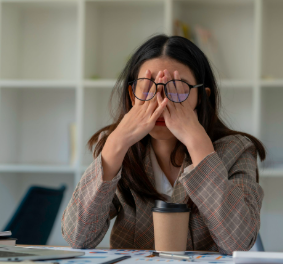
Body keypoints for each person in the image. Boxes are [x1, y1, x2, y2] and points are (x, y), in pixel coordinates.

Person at [61, 34, 265, 254]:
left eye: (176, 88)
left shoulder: (237, 149)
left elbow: (239, 243)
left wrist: (199, 145)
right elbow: (77, 238)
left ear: (202, 97)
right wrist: (116, 144)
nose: (160, 101)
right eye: (148, 87)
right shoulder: (116, 147)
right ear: (132, 95)